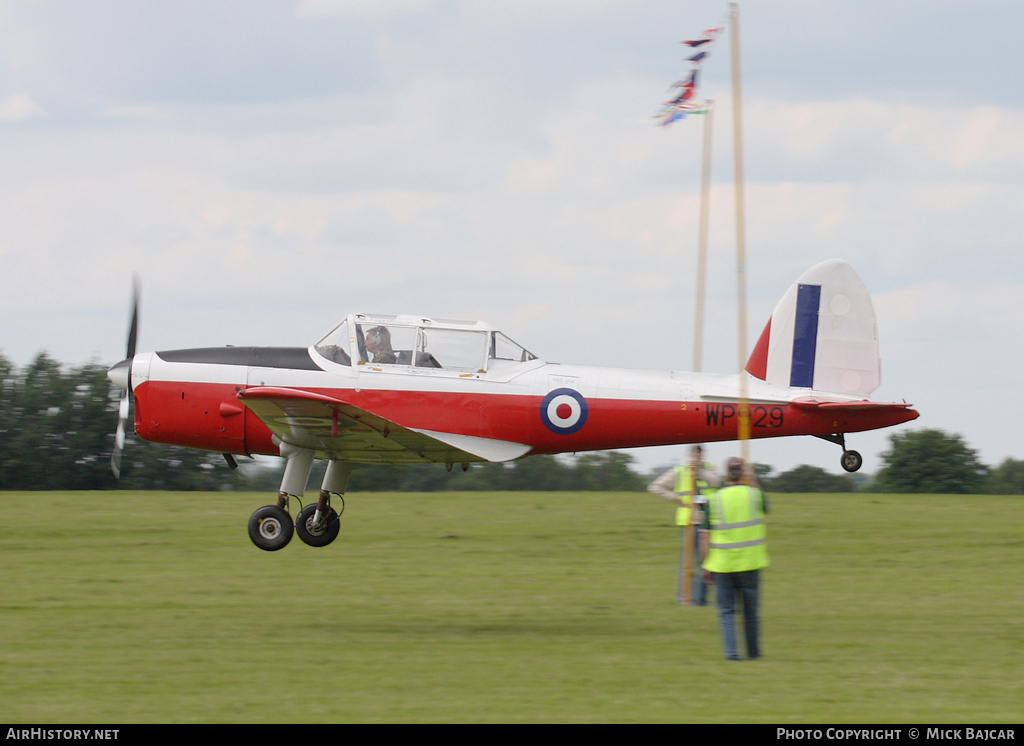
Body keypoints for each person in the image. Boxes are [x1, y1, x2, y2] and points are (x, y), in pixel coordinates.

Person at [700, 457, 769, 660]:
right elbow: (766, 508)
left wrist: (706, 565)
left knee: (727, 613)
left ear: (726, 474)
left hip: (723, 566)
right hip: (750, 563)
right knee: (751, 614)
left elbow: (705, 535)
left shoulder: (715, 500)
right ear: (743, 473)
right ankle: (754, 654)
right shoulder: (754, 495)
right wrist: (753, 479)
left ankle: (731, 655)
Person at [648, 445, 716, 605]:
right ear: (689, 455)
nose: (697, 458)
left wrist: (698, 471)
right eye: (694, 455)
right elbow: (655, 487)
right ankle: (684, 599)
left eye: (700, 455)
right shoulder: (679, 471)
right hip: (689, 521)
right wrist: (676, 498)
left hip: (706, 520)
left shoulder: (709, 469)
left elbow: (715, 482)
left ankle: (701, 599)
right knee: (687, 563)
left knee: (707, 562)